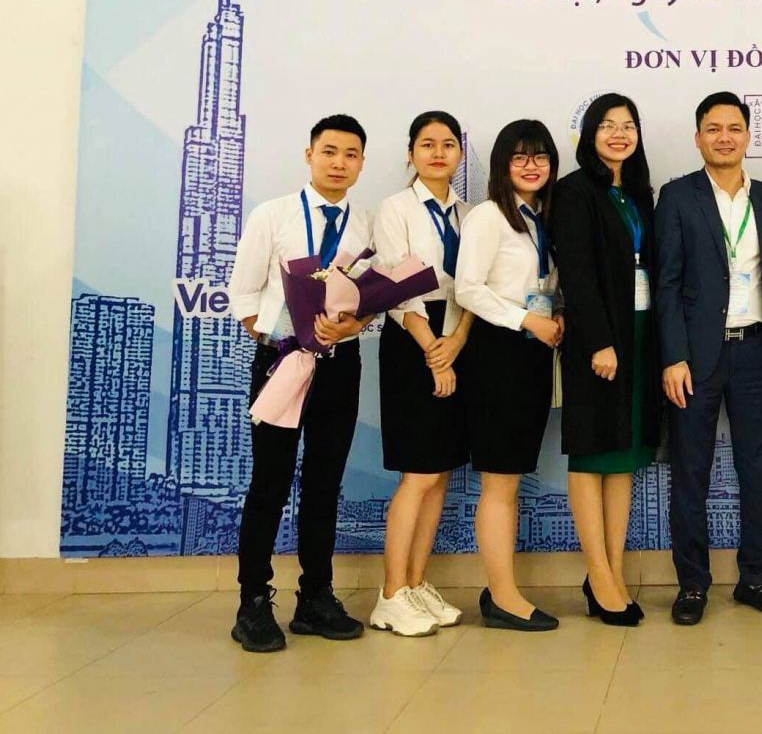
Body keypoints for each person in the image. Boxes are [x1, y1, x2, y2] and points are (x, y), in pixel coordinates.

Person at [228, 114, 374, 653]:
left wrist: (351, 326)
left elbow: (372, 297)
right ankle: (252, 602)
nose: (339, 163)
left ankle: (315, 597)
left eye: (351, 154)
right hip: (282, 360)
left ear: (362, 163)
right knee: (269, 481)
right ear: (309, 155)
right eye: (329, 151)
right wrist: (286, 339)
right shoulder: (273, 214)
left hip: (341, 363)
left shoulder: (366, 224)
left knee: (324, 483)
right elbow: (244, 294)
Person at [655, 92, 762, 625]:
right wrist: (673, 356)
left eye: (734, 128)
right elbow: (667, 283)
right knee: (691, 470)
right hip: (695, 356)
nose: (724, 138)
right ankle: (692, 584)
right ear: (697, 138)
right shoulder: (677, 196)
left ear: (749, 136)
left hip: (757, 351)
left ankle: (756, 578)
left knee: (757, 469)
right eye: (713, 129)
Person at [552, 93, 660, 629]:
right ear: (590, 134)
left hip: (640, 337)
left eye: (628, 125)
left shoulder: (639, 193)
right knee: (592, 453)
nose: (619, 134)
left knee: (625, 455)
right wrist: (598, 341)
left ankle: (612, 574)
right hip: (599, 342)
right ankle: (597, 574)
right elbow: (576, 272)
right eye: (607, 125)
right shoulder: (574, 192)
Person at [455, 119, 564, 632]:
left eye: (540, 156)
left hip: (534, 354)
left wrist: (555, 315)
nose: (531, 165)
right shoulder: (488, 217)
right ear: (503, 165)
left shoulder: (542, 217)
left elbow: (545, 282)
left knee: (512, 477)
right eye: (519, 157)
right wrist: (527, 320)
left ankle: (500, 589)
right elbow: (468, 288)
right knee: (500, 482)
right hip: (498, 354)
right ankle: (502, 596)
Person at [368, 111, 473, 637]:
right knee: (419, 473)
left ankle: (415, 583)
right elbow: (397, 289)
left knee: (441, 471)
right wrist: (434, 351)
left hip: (456, 334)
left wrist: (455, 343)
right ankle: (389, 594)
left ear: (460, 154)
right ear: (410, 153)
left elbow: (472, 287)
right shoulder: (395, 208)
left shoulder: (470, 214)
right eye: (427, 144)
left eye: (448, 144)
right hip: (413, 338)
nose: (438, 153)